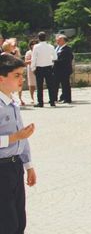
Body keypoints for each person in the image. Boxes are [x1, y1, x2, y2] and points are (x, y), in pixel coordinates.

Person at [0, 54, 37, 234]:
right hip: (1, 169)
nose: (21, 79)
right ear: (1, 78)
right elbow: (17, 136)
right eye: (17, 75)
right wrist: (14, 137)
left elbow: (23, 137)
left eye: (22, 75)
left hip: (15, 168)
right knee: (7, 223)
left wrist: (28, 165)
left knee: (19, 221)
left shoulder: (13, 103)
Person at [30, 32, 57, 107]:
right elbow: (55, 57)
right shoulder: (51, 46)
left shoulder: (36, 47)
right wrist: (49, 60)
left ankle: (40, 102)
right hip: (48, 67)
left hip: (39, 68)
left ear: (38, 38)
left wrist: (33, 68)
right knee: (50, 85)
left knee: (39, 86)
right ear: (46, 37)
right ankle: (52, 101)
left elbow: (33, 58)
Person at [53, 34, 74, 104]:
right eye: (57, 40)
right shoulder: (57, 48)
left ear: (63, 41)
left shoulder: (67, 49)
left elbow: (65, 60)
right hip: (57, 70)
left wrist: (55, 60)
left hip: (64, 70)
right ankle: (57, 98)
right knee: (55, 84)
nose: (57, 41)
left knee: (65, 85)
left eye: (59, 40)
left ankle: (67, 99)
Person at [24, 40, 38, 105]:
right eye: (32, 44)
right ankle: (32, 98)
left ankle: (39, 97)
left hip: (39, 68)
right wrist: (33, 60)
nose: (34, 45)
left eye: (35, 44)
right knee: (31, 84)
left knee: (39, 83)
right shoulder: (28, 52)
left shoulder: (39, 52)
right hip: (31, 69)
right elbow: (26, 61)